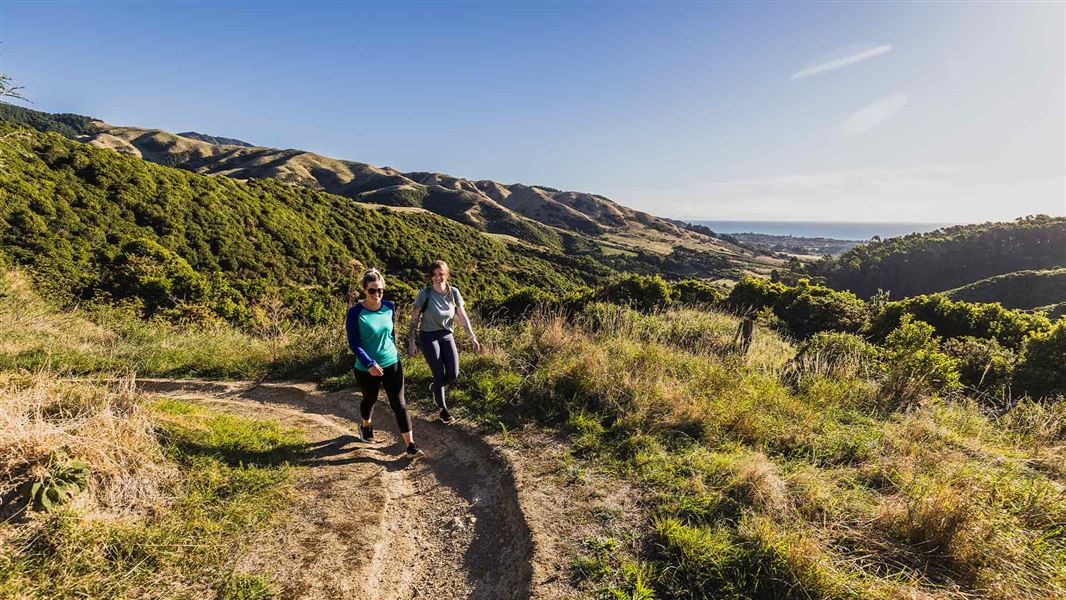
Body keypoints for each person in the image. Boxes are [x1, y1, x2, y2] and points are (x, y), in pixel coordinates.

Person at [346, 268, 424, 458]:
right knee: (370, 399)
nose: (377, 294)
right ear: (364, 290)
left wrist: (395, 351)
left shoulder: (389, 306)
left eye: (380, 290)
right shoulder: (355, 312)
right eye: (372, 290)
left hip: (392, 363)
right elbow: (353, 343)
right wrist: (369, 363)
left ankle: (410, 446)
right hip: (366, 368)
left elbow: (390, 334)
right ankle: (366, 425)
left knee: (399, 404)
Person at [407, 260, 480, 424]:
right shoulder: (425, 294)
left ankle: (435, 387)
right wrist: (412, 341)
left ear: (446, 274)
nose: (438, 277)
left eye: (441, 274)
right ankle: (443, 410)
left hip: (447, 335)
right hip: (428, 336)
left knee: (453, 373)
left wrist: (472, 335)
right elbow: (414, 319)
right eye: (435, 274)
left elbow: (462, 316)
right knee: (438, 373)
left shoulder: (454, 293)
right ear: (431, 276)